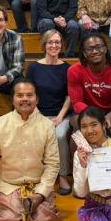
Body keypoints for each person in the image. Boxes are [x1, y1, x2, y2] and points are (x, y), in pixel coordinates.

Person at [0, 79, 61, 221]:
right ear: (12, 99)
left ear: (37, 99)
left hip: (37, 185)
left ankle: (37, 204)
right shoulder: (0, 123)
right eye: (20, 95)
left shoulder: (47, 125)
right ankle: (6, 205)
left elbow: (53, 164)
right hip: (9, 185)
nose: (24, 99)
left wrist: (40, 193)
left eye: (29, 95)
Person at [26, 29, 71, 195]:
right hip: (38, 113)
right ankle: (41, 176)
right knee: (38, 134)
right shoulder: (34, 68)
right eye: (50, 42)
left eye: (57, 42)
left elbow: (69, 96)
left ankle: (63, 175)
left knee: (59, 136)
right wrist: (38, 115)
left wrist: (60, 117)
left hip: (61, 114)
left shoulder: (67, 68)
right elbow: (30, 95)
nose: (54, 45)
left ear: (61, 45)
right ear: (44, 45)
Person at [68, 34, 111, 142]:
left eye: (99, 47)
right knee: (76, 122)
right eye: (90, 49)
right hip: (87, 110)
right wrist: (96, 119)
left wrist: (110, 116)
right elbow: (77, 102)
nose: (95, 51)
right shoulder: (74, 71)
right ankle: (79, 159)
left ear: (106, 49)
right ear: (84, 53)